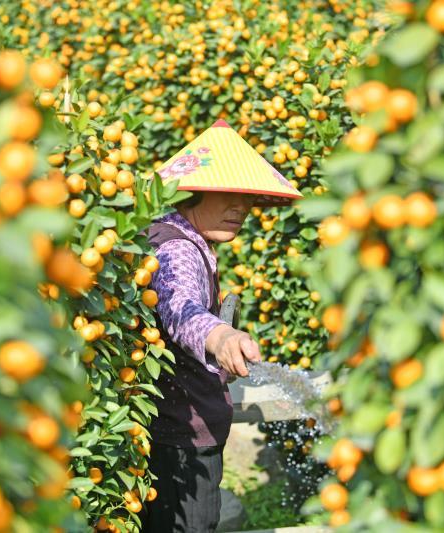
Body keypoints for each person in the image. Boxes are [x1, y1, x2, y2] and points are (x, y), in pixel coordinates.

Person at [140, 119, 301, 532]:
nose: (242, 208)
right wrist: (221, 336)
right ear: (194, 191)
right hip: (181, 442)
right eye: (230, 193)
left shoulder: (174, 237)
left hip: (172, 432)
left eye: (247, 197)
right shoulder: (177, 249)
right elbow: (179, 308)